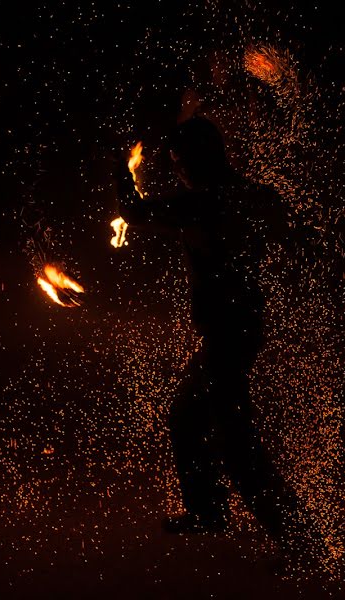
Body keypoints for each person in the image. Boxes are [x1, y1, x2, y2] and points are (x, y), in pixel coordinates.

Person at [115, 116, 297, 539]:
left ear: (199, 158)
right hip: (236, 328)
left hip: (229, 333)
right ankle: (207, 512)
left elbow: (134, 211)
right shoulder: (248, 194)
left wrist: (121, 168)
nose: (178, 169)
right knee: (185, 418)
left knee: (237, 447)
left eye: (180, 160)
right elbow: (284, 231)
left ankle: (298, 539)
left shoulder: (208, 201)